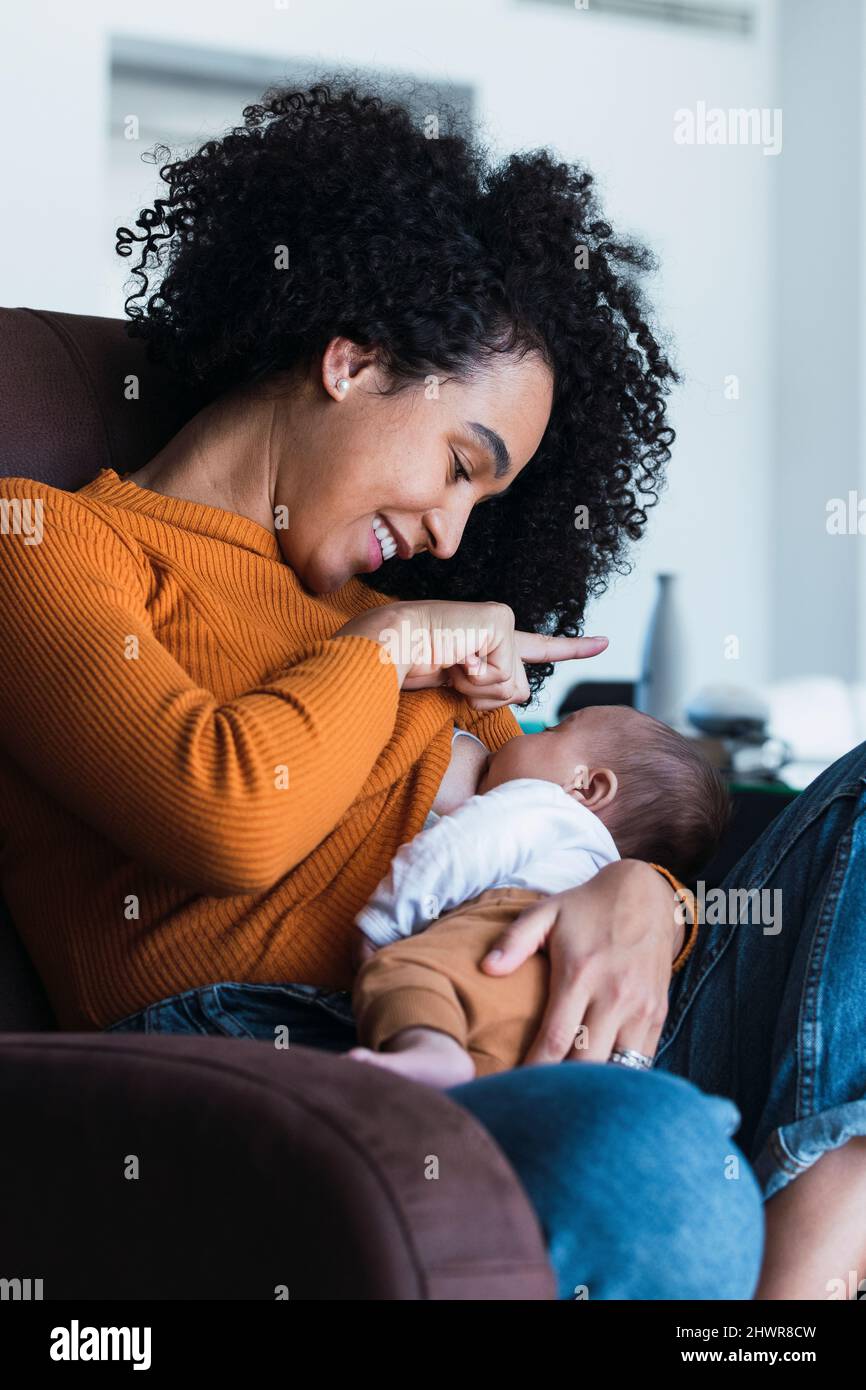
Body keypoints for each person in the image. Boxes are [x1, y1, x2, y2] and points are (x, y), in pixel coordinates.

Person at [0, 79, 862, 1300]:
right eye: (460, 464)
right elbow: (226, 814)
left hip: (553, 1017)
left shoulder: (401, 630)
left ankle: (810, 1242)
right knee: (654, 1168)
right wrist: (390, 644)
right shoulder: (47, 544)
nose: (453, 537)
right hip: (306, 1046)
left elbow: (562, 820)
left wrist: (649, 896)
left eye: (480, 500)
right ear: (350, 360)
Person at [348, 705, 728, 1084]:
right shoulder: (596, 866)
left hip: (508, 930)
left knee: (398, 972)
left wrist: (384, 922)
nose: (518, 737)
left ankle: (430, 1048)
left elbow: (454, 849)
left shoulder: (544, 803)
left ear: (586, 787)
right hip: (557, 1008)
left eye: (550, 730)